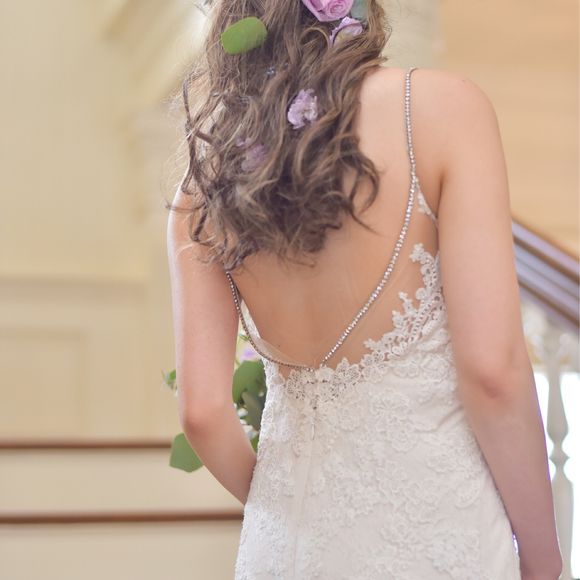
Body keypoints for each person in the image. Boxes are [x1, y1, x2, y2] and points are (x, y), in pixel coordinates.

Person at [165, 0, 563, 578]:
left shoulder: (203, 182)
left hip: (286, 552)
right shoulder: (443, 109)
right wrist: (544, 554)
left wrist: (291, 506)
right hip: (434, 530)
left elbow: (202, 414)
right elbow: (492, 372)